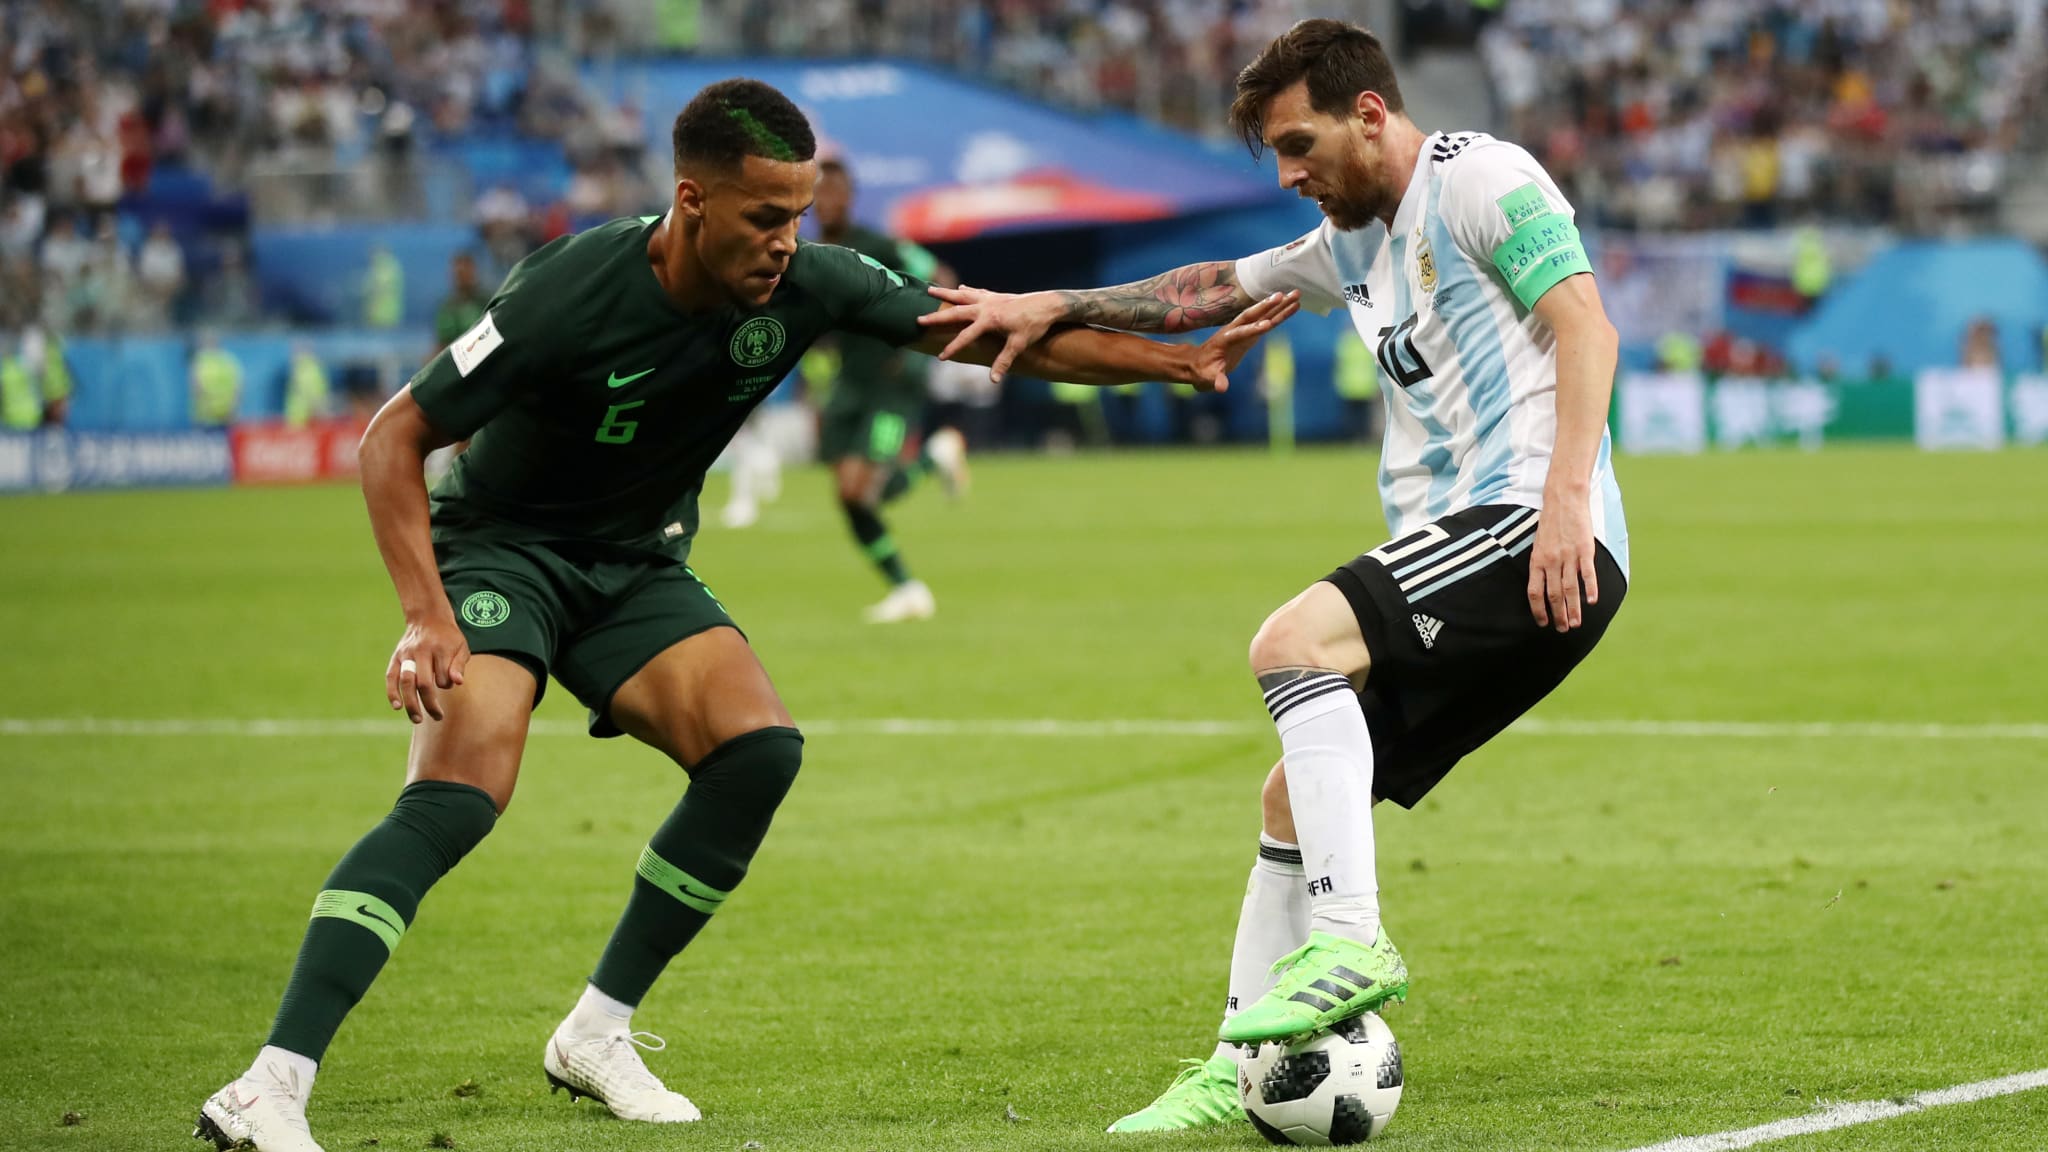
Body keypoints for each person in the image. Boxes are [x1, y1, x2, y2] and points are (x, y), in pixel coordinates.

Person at [194, 77, 1297, 1152]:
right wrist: (426, 615)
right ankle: (267, 1087)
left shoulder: (810, 283)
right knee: (461, 793)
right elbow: (392, 436)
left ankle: (595, 1033)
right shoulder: (568, 289)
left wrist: (1175, 362)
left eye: (799, 215)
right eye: (766, 216)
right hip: (501, 550)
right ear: (691, 200)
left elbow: (992, 335)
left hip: (632, 562)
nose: (786, 241)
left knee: (755, 751)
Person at [919, 19, 1630, 1133]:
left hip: (1530, 525)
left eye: (1299, 145)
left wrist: (1566, 501)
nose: (1289, 174)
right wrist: (1053, 305)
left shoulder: (1480, 179)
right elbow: (1202, 288)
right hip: (1490, 546)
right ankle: (1236, 1063)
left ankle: (1350, 941)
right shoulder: (1347, 243)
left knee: (1292, 643)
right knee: (1291, 795)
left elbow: (1586, 329)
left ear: (1369, 114)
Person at [810, 156, 969, 622]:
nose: (827, 201)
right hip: (849, 384)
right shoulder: (809, 252)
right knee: (848, 497)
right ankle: (907, 589)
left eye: (835, 191)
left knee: (867, 493)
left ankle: (933, 457)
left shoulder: (879, 246)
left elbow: (942, 278)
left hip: (891, 384)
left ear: (850, 197)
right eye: (820, 192)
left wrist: (918, 350)